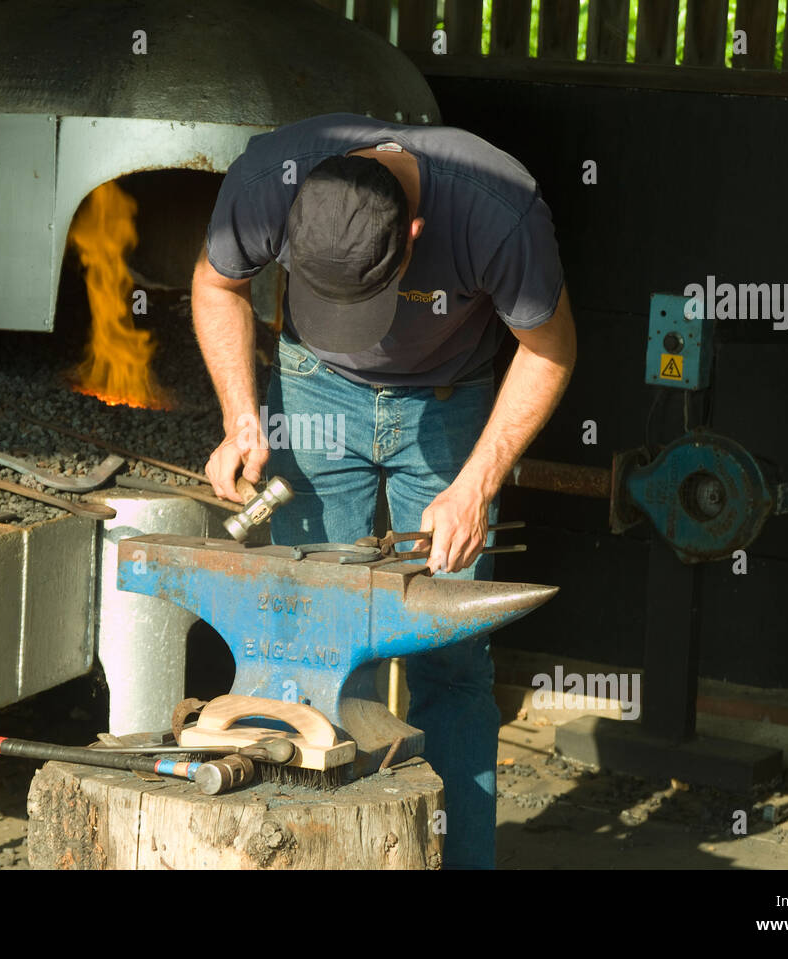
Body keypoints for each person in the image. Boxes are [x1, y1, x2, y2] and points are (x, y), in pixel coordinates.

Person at [191, 113, 576, 869]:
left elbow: (551, 346)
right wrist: (241, 417)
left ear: (416, 231)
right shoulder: (271, 178)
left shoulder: (499, 208)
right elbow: (216, 285)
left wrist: (477, 483)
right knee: (310, 645)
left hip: (447, 401)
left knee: (452, 662)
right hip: (311, 390)